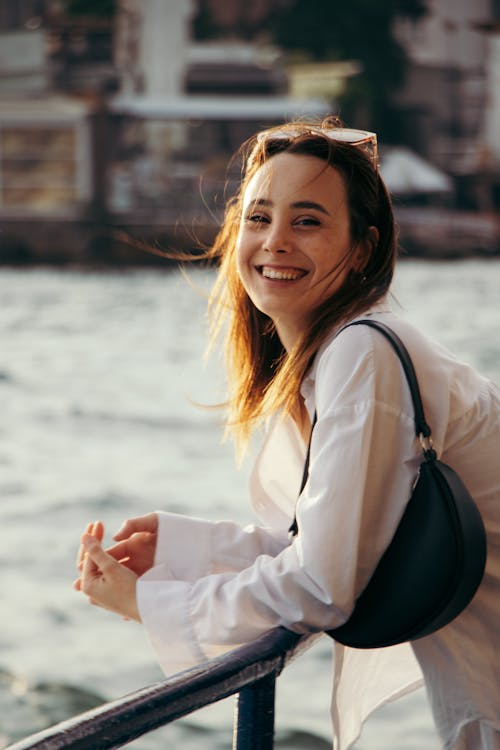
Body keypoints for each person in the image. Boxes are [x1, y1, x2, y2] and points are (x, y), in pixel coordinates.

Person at [74, 117, 500, 749]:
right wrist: (182, 549)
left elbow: (322, 587)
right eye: (257, 218)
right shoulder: (338, 357)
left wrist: (151, 603)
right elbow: (336, 539)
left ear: (362, 248)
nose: (274, 241)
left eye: (308, 221)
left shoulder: (365, 352)